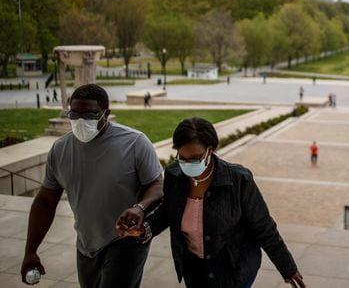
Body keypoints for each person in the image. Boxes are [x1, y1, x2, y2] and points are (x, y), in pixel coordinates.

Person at [121, 118, 305, 288]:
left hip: (234, 269)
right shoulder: (174, 175)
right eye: (182, 158)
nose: (187, 164)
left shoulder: (239, 180)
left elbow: (264, 228)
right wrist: (145, 228)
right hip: (194, 269)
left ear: (210, 150)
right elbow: (168, 212)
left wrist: (287, 268)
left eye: (195, 159)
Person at [21, 84, 163, 287]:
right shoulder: (60, 149)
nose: (81, 121)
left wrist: (139, 207)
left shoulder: (135, 143)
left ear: (106, 113)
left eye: (89, 115)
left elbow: (157, 185)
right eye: (74, 115)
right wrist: (30, 251)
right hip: (86, 244)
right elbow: (45, 202)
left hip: (125, 240)